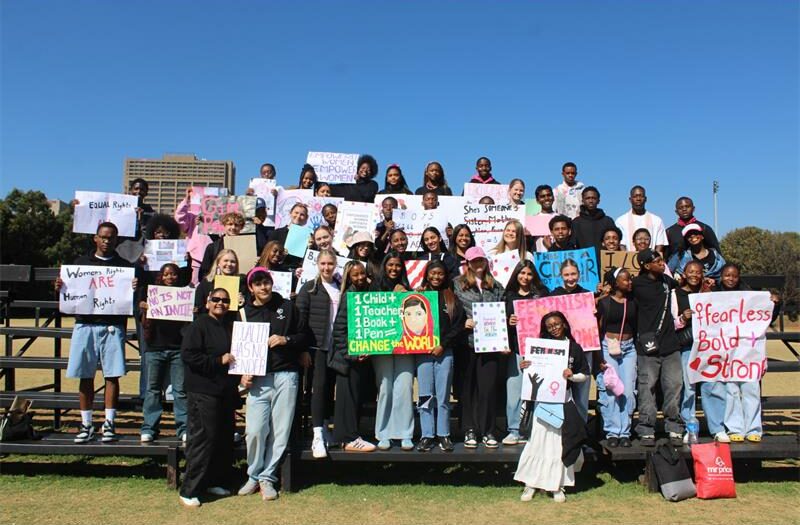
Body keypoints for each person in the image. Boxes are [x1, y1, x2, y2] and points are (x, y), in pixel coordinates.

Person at [55, 222, 135, 444]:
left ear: (117, 240)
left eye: (111, 237)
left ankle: (109, 423)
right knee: (85, 375)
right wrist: (60, 287)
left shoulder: (124, 267)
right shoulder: (80, 264)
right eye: (103, 237)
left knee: (112, 375)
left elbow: (130, 297)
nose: (107, 241)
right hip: (85, 324)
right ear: (95, 238)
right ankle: (86, 423)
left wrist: (134, 287)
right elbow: (69, 293)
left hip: (113, 325)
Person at [237, 268, 310, 501]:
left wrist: (285, 339)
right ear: (251, 288)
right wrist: (242, 375)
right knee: (255, 430)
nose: (263, 287)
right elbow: (238, 349)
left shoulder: (287, 307)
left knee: (280, 430)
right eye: (258, 284)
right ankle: (253, 475)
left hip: (286, 375)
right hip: (259, 379)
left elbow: (304, 336)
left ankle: (267, 478)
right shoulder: (244, 312)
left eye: (266, 282)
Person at [514, 311, 589, 503]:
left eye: (557, 324)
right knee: (537, 442)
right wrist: (525, 366)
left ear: (564, 324)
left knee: (558, 445)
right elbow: (531, 372)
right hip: (542, 402)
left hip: (563, 401)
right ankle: (530, 484)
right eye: (549, 326)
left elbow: (584, 375)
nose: (554, 328)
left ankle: (558, 485)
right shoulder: (539, 347)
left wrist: (572, 375)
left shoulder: (574, 348)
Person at [179, 287, 239, 507]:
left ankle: (212, 481)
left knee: (222, 439)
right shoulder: (198, 325)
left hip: (224, 391)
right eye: (216, 299)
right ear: (207, 302)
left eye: (225, 300)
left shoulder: (229, 326)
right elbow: (188, 355)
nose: (220, 303)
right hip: (203, 391)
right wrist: (217, 361)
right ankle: (189, 490)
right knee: (203, 439)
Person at [453, 246, 505, 448]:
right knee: (467, 390)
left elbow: (502, 311)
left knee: (488, 389)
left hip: (490, 346)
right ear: (467, 264)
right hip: (466, 344)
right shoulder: (457, 284)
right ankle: (469, 429)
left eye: (481, 260)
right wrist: (462, 322)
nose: (478, 264)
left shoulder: (496, 286)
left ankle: (488, 430)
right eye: (474, 261)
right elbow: (451, 310)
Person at [669, 260, 726, 443]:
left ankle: (717, 428)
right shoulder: (675, 294)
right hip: (687, 347)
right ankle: (690, 427)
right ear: (684, 274)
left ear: (703, 275)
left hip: (708, 347)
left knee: (712, 385)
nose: (694, 275)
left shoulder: (708, 294)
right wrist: (682, 319)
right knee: (688, 389)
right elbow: (670, 323)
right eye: (690, 271)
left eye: (698, 272)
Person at [632, 248, 683, 446]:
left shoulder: (667, 282)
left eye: (662, 260)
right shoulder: (635, 285)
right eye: (657, 261)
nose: (662, 264)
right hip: (647, 346)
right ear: (646, 266)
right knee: (647, 387)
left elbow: (685, 288)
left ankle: (674, 426)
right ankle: (646, 428)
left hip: (670, 344)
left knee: (674, 385)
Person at [415, 260, 465, 452]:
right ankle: (427, 435)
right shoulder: (418, 295)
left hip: (445, 352)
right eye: (433, 273)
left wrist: (443, 345)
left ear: (445, 276)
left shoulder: (451, 297)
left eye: (440, 274)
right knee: (425, 396)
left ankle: (444, 434)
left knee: (443, 396)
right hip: (423, 352)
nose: (436, 277)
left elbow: (458, 325)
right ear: (427, 274)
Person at [296, 249, 341, 459]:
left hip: (337, 347)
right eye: (323, 263)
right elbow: (300, 321)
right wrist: (303, 349)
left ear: (335, 264)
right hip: (317, 347)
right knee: (319, 388)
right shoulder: (309, 288)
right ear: (317, 265)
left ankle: (325, 427)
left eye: (330, 264)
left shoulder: (341, 286)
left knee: (330, 389)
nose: (326, 267)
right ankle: (317, 435)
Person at [330, 261, 377, 452]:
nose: (359, 278)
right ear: (349, 278)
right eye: (355, 275)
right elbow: (339, 331)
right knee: (347, 400)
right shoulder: (349, 296)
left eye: (362, 273)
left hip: (361, 358)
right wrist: (352, 354)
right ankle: (348, 438)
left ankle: (351, 436)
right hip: (347, 360)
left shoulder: (367, 293)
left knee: (356, 398)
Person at [138, 263, 188, 443]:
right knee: (152, 390)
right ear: (161, 276)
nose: (170, 277)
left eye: (173, 274)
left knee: (180, 391)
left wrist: (193, 312)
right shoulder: (152, 295)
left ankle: (184, 429)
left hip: (177, 349)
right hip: (154, 348)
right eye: (166, 274)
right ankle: (149, 428)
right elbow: (143, 323)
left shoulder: (185, 296)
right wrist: (144, 310)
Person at [716, 263, 766, 443]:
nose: (730, 279)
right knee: (731, 391)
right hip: (726, 351)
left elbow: (764, 317)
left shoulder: (749, 295)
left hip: (747, 352)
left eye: (734, 276)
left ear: (739, 277)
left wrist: (774, 303)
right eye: (727, 275)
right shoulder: (714, 294)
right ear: (721, 276)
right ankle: (735, 428)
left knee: (751, 389)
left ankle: (754, 428)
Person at [370, 251, 414, 450]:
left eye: (398, 265)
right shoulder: (375, 287)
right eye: (390, 265)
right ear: (384, 266)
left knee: (405, 387)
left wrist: (406, 295)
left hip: (406, 344)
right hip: (382, 346)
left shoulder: (407, 287)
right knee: (385, 388)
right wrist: (391, 298)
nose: (394, 269)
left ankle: (405, 433)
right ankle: (383, 433)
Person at [503, 260, 548, 445]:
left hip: (538, 351)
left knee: (537, 393)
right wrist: (508, 321)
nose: (525, 277)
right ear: (516, 274)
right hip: (516, 350)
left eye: (529, 274)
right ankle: (514, 430)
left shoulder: (541, 295)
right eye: (522, 273)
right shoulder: (508, 296)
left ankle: (535, 432)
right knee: (514, 393)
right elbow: (500, 323)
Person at [596, 268, 638, 447]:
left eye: (630, 279)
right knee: (612, 389)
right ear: (615, 282)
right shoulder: (604, 303)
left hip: (629, 349)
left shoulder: (633, 301)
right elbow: (596, 329)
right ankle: (613, 431)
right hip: (608, 347)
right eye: (625, 279)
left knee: (628, 390)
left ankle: (625, 432)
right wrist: (599, 356)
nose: (629, 282)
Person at [174, 187, 214, 285]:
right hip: (195, 259)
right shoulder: (193, 215)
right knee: (193, 286)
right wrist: (187, 200)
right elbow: (179, 218)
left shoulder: (220, 219)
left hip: (214, 259)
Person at [615, 186, 667, 255]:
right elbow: (621, 245)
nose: (638, 199)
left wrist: (653, 258)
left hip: (651, 260)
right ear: (630, 200)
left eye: (641, 196)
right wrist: (628, 259)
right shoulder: (621, 221)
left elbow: (660, 244)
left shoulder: (657, 220)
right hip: (629, 259)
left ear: (645, 199)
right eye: (635, 196)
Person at [665, 196, 721, 261]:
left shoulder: (704, 228)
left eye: (687, 206)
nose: (684, 209)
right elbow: (666, 256)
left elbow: (717, 254)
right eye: (680, 208)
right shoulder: (669, 232)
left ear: (693, 208)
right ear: (676, 211)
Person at [194, 249, 246, 315]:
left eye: (232, 261)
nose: (229, 264)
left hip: (232, 319)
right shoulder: (207, 283)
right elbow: (198, 306)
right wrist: (208, 304)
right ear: (218, 263)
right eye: (226, 261)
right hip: (210, 319)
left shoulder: (241, 283)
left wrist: (242, 303)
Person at [199, 212, 247, 281]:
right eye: (230, 224)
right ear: (224, 225)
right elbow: (204, 272)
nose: (233, 227)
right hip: (218, 284)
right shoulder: (212, 247)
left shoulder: (248, 246)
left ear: (241, 227)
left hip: (241, 282)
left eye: (236, 225)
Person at [571, 186, 616, 260]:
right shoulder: (575, 223)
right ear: (582, 200)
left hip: (605, 262)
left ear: (598, 201)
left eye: (593, 198)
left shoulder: (608, 221)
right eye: (587, 198)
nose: (591, 201)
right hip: (584, 263)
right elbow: (572, 246)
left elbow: (615, 243)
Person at [531, 185, 557, 252]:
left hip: (558, 255)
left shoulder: (561, 218)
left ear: (553, 198)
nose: (546, 198)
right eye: (542, 196)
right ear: (537, 200)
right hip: (539, 256)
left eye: (549, 195)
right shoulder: (533, 220)